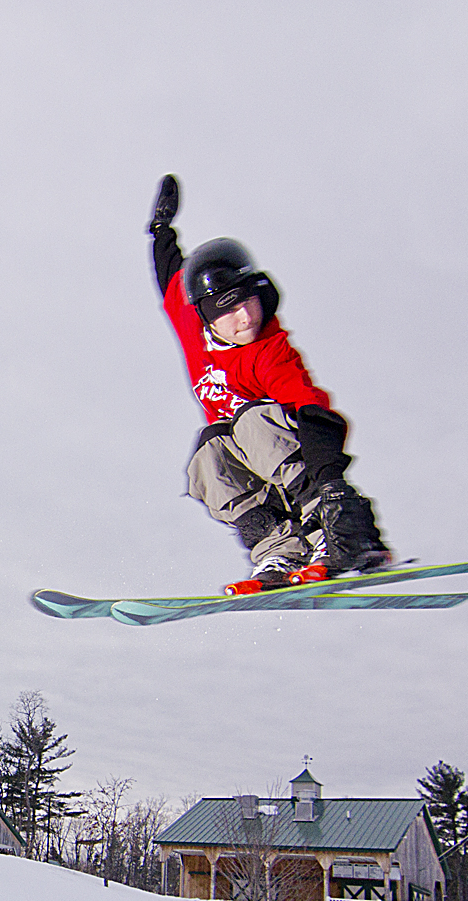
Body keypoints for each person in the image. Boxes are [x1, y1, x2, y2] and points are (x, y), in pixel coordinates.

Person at [145, 174, 390, 592]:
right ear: (203, 314)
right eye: (229, 309)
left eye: (249, 300)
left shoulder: (270, 351)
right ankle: (277, 547)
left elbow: (313, 412)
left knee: (251, 420)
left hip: (299, 464)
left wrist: (332, 485)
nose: (245, 318)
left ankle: (326, 535)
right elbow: (169, 271)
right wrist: (161, 229)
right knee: (208, 453)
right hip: (260, 480)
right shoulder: (189, 320)